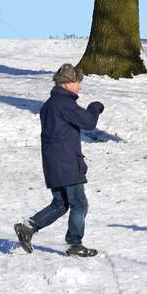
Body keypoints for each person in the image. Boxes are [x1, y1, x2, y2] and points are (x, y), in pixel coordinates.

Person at [15, 63, 104, 258]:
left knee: (60, 204)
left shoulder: (50, 104)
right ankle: (74, 244)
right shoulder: (64, 103)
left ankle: (28, 227)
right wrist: (95, 108)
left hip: (53, 163)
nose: (80, 86)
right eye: (78, 82)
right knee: (79, 203)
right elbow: (88, 122)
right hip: (67, 163)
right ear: (67, 83)